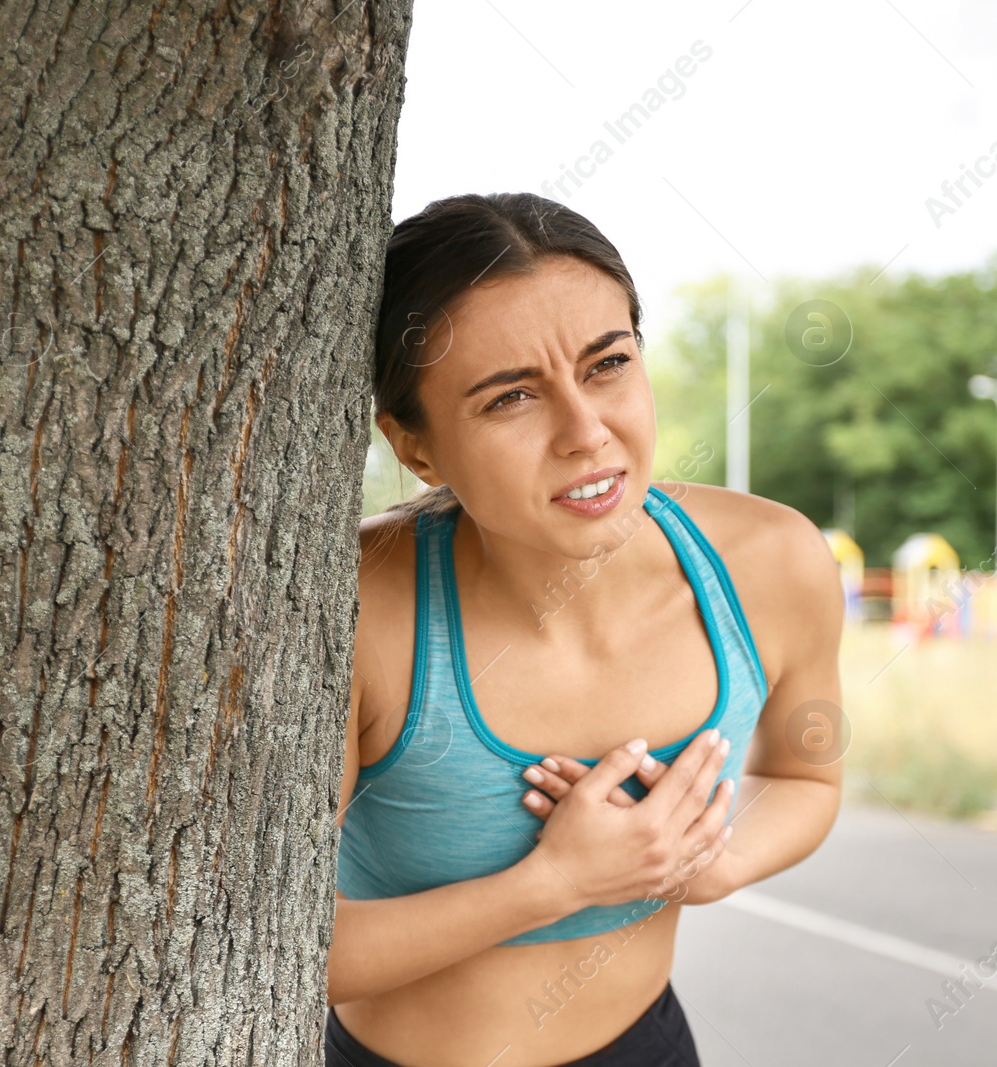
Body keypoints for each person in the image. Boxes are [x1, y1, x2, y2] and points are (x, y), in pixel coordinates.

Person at [326, 191, 845, 1067]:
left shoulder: (772, 563)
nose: (585, 430)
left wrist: (707, 861)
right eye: (510, 398)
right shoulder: (357, 613)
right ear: (416, 448)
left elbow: (807, 778)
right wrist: (554, 882)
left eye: (607, 364)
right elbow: (281, 946)